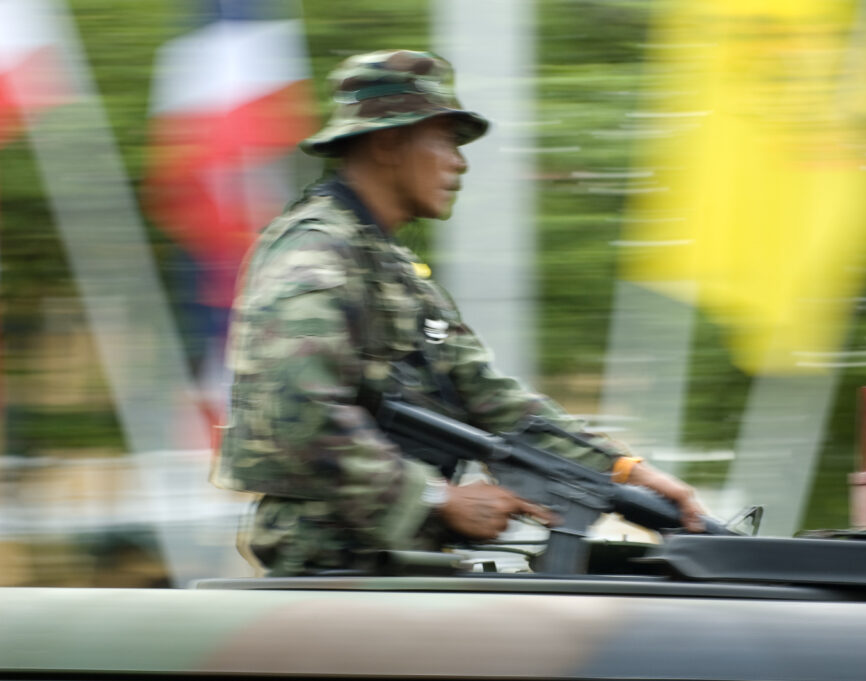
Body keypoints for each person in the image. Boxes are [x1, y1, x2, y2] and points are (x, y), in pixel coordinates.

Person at [212, 49, 705, 576]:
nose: (460, 161)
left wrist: (628, 473)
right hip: (329, 578)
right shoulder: (315, 251)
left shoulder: (392, 270)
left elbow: (495, 402)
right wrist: (437, 499)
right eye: (445, 139)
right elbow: (300, 413)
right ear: (387, 141)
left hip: (392, 570)